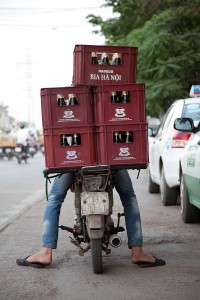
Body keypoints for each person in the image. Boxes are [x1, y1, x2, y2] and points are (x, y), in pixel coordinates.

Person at [16, 169, 166, 269]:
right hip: (110, 155)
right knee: (129, 198)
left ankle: (45, 252)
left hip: (75, 156)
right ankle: (137, 251)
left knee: (55, 199)